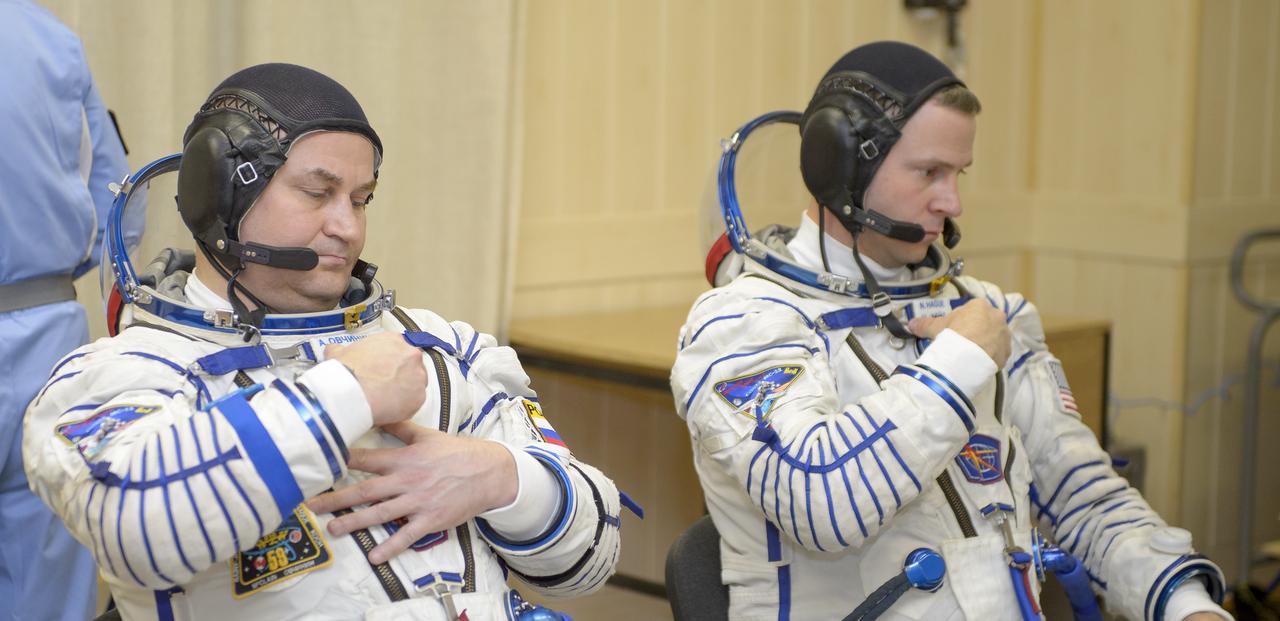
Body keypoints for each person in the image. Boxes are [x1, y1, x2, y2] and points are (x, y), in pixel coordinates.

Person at [24, 63, 625, 620]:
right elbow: (134, 525)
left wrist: (500, 479)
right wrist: (346, 395)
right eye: (317, 193)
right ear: (218, 193)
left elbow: (591, 559)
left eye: (361, 200)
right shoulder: (126, 371)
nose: (348, 227)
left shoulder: (440, 348)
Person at [672, 41, 1229, 621]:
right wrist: (959, 363)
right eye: (929, 172)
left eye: (959, 173)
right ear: (839, 166)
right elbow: (821, 503)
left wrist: (1188, 606)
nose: (952, 202)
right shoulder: (742, 324)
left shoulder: (987, 313)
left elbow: (1082, 497)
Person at [1, 1, 133, 618]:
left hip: (49, 334)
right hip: (50, 345)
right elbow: (118, 202)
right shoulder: (47, 38)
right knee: (49, 588)